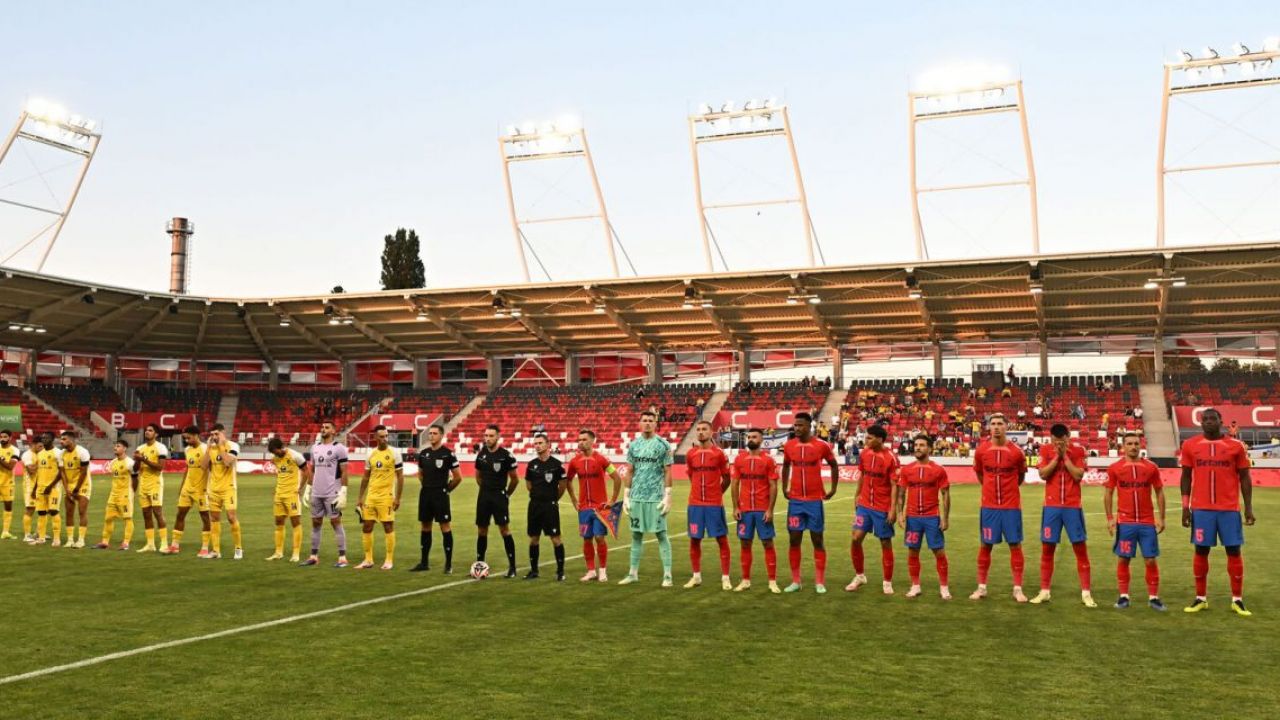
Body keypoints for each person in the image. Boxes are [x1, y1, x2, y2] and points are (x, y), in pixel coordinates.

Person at [1180, 408, 1254, 616]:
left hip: (1229, 509)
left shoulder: (1236, 446)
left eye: (1213, 419)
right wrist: (1185, 506)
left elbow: (1245, 478)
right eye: (1206, 419)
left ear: (1221, 422)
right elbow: (1185, 477)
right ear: (1201, 423)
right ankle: (1200, 598)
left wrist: (1248, 507)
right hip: (1202, 510)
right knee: (1201, 551)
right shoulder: (1190, 445)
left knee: (1233, 551)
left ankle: (1237, 600)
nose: (1209, 422)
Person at [1031, 424, 1095, 607]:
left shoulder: (1078, 450)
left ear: (1068, 437)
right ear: (1051, 438)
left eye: (1062, 440)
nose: (1058, 443)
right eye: (1055, 441)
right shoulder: (1044, 450)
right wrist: (1056, 457)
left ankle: (1086, 593)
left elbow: (1078, 476)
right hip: (1051, 507)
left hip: (1072, 506)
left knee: (1080, 548)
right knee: (1047, 549)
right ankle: (1044, 591)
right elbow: (1043, 474)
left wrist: (1064, 456)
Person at [969, 413, 1028, 602]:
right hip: (989, 507)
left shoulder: (1017, 451)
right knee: (985, 545)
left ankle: (1017, 589)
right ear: (988, 427)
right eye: (993, 424)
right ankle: (981, 587)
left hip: (1011, 507)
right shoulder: (981, 451)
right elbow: (980, 475)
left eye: (1000, 424)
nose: (996, 427)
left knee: (1015, 545)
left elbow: (1020, 477)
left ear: (1006, 426)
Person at [1105, 432, 1166, 611]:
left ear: (1141, 446)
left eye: (1136, 444)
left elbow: (1159, 491)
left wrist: (1161, 518)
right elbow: (1108, 493)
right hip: (1125, 523)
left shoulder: (1151, 467)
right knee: (1123, 559)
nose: (1133, 447)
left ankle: (1153, 597)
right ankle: (1124, 596)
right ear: (1123, 446)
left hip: (1147, 522)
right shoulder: (1115, 467)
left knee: (1150, 560)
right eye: (1129, 443)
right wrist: (1110, 518)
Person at [781, 412, 840, 594]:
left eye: (800, 425)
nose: (797, 428)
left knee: (817, 540)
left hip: (814, 501)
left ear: (809, 426)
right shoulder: (789, 446)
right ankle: (796, 581)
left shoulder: (821, 445)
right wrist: (785, 488)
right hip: (796, 501)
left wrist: (833, 488)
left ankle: (819, 582)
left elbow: (834, 465)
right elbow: (785, 466)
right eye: (795, 425)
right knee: (794, 539)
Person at [619, 410, 674, 586]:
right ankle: (633, 573)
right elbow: (630, 470)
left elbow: (667, 471)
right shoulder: (634, 445)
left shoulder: (663, 445)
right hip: (637, 498)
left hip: (656, 498)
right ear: (640, 423)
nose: (648, 423)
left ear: (656, 423)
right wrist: (626, 496)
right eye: (645, 420)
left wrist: (668, 496)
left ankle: (667, 575)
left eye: (651, 420)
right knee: (636, 535)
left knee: (661, 535)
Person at [847, 424, 900, 594]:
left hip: (882, 506)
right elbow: (862, 475)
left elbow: (894, 486)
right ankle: (860, 575)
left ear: (879, 439)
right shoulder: (864, 453)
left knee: (885, 542)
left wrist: (893, 509)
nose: (866, 440)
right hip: (864, 505)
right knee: (856, 538)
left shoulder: (891, 458)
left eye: (869, 438)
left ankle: (887, 582)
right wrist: (857, 495)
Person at [896, 435, 951, 599]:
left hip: (932, 517)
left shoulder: (938, 470)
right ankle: (915, 585)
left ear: (929, 449)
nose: (917, 448)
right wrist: (900, 513)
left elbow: (945, 494)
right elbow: (901, 494)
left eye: (921, 445)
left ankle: (944, 586)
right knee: (913, 552)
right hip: (913, 518)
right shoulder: (907, 470)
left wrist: (945, 517)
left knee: (939, 551)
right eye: (916, 445)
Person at [565, 428, 622, 583]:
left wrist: (612, 500)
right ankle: (591, 571)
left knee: (599, 537)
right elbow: (567, 480)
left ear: (592, 441)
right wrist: (574, 500)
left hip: (599, 509)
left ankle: (602, 571)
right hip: (583, 508)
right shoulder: (574, 461)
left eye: (584, 439)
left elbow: (617, 478)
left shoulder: (601, 459)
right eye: (579, 440)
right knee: (587, 539)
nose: (580, 442)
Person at [730, 429, 780, 593]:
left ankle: (772, 581)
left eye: (754, 437)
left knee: (767, 543)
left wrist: (770, 509)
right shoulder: (739, 459)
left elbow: (773, 485)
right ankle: (745, 580)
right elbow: (735, 483)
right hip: (745, 510)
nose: (751, 439)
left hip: (762, 509)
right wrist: (736, 506)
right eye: (749, 437)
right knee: (745, 543)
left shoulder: (768, 460)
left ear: (761, 440)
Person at [684, 421, 732, 590]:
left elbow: (727, 478)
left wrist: (717, 493)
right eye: (698, 429)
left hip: (714, 504)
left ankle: (725, 577)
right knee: (694, 540)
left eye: (704, 429)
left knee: (721, 539)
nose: (701, 432)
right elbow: (691, 475)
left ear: (712, 432)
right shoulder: (690, 454)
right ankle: (696, 576)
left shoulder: (719, 454)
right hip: (695, 504)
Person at [411, 423, 462, 574]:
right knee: (425, 526)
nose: (431, 435)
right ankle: (424, 562)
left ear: (441, 436)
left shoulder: (448, 454)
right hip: (426, 494)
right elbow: (420, 473)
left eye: (434, 433)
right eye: (430, 433)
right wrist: (426, 484)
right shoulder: (424, 453)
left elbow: (458, 477)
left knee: (444, 526)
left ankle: (448, 564)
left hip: (441, 495)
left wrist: (446, 490)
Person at [300, 420, 350, 567]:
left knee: (335, 522)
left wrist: (344, 491)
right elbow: (313, 470)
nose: (323, 429)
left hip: (332, 493)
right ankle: (313, 556)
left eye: (327, 427)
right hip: (317, 492)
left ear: (334, 431)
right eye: (322, 427)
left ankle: (342, 558)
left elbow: (345, 471)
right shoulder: (315, 447)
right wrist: (308, 489)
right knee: (315, 523)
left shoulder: (339, 448)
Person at [474, 424, 519, 578]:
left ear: (498, 437)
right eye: (486, 436)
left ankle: (512, 567)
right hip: (484, 497)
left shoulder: (506, 455)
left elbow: (514, 480)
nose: (487, 439)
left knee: (504, 530)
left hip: (500, 497)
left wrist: (506, 495)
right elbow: (478, 477)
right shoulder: (481, 455)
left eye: (491, 436)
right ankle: (480, 566)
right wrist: (486, 489)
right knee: (481, 530)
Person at [356, 425, 403, 570]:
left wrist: (398, 498)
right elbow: (365, 477)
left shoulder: (394, 453)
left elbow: (400, 477)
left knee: (388, 526)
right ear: (375, 438)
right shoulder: (370, 454)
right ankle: (368, 560)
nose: (384, 439)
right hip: (371, 497)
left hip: (387, 497)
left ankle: (389, 560)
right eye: (381, 436)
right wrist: (360, 497)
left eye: (386, 436)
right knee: (367, 526)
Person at [523, 434, 567, 581]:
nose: (537, 445)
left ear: (548, 444)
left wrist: (552, 499)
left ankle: (560, 572)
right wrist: (537, 496)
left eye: (540, 443)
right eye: (535, 443)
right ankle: (534, 571)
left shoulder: (557, 465)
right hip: (535, 505)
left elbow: (562, 486)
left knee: (555, 538)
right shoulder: (531, 465)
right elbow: (529, 484)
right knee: (534, 538)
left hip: (550, 506)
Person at [201, 423, 242, 560]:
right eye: (212, 434)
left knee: (231, 517)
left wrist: (219, 446)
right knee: (214, 519)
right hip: (213, 489)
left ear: (223, 433)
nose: (214, 437)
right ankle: (216, 551)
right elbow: (203, 466)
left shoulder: (233, 446)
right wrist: (207, 448)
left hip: (228, 488)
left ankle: (238, 548)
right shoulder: (210, 448)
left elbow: (227, 462)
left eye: (216, 434)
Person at [171, 426, 211, 556]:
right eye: (185, 438)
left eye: (189, 437)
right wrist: (182, 486)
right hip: (188, 488)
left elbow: (211, 469)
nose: (187, 440)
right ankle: (174, 545)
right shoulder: (187, 450)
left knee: (205, 517)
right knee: (180, 515)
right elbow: (188, 468)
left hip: (201, 490)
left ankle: (205, 547)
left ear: (196, 435)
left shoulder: (206, 449)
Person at [133, 424, 173, 554]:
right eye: (146, 430)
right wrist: (138, 460)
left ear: (156, 434)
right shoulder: (140, 448)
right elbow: (135, 469)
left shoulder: (161, 447)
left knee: (157, 513)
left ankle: (164, 543)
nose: (147, 432)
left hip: (155, 484)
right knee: (146, 514)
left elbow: (160, 467)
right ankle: (150, 544)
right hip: (143, 484)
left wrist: (143, 459)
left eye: (150, 430)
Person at [266, 437, 306, 562]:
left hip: (292, 495)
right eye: (273, 452)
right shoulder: (275, 459)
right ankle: (278, 552)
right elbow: (280, 473)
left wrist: (300, 488)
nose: (274, 454)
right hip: (279, 495)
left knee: (295, 522)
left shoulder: (295, 456)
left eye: (275, 451)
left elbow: (307, 471)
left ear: (280, 447)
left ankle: (296, 553)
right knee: (278, 523)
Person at [94, 440, 135, 550]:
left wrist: (131, 493)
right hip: (113, 495)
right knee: (108, 518)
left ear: (124, 448)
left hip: (125, 495)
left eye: (118, 446)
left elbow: (136, 478)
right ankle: (105, 542)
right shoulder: (113, 463)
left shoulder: (130, 463)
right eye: (115, 446)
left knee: (127, 518)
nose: (115, 448)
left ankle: (126, 543)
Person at [26, 433, 63, 546]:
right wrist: (34, 489)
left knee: (53, 511)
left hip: (53, 488)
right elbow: (39, 472)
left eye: (46, 438)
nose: (44, 439)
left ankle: (56, 539)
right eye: (42, 438)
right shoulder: (40, 453)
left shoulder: (58, 453)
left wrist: (50, 486)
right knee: (41, 513)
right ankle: (41, 538)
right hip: (40, 488)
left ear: (53, 439)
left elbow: (62, 472)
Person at [58, 431, 92, 548]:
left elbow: (83, 472)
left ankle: (81, 540)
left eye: (64, 439)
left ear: (71, 440)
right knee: (69, 512)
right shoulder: (61, 454)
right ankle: (70, 540)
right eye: (61, 439)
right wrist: (66, 488)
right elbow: (62, 472)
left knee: (82, 512)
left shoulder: (82, 452)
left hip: (83, 485)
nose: (61, 441)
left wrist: (77, 488)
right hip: (69, 485)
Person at [19, 436, 43, 542]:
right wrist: (42, 464)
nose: (42, 448)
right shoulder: (27, 455)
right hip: (30, 486)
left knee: (42, 510)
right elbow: (31, 471)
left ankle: (39, 533)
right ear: (33, 444)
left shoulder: (39, 454)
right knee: (30, 509)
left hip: (40, 485)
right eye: (40, 446)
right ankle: (27, 535)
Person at [0, 429, 16, 539]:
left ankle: (5, 532)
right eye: (1, 437)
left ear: (10, 438)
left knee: (8, 506)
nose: (2, 439)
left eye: (5, 437)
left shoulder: (15, 450)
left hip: (8, 483)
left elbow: (10, 467)